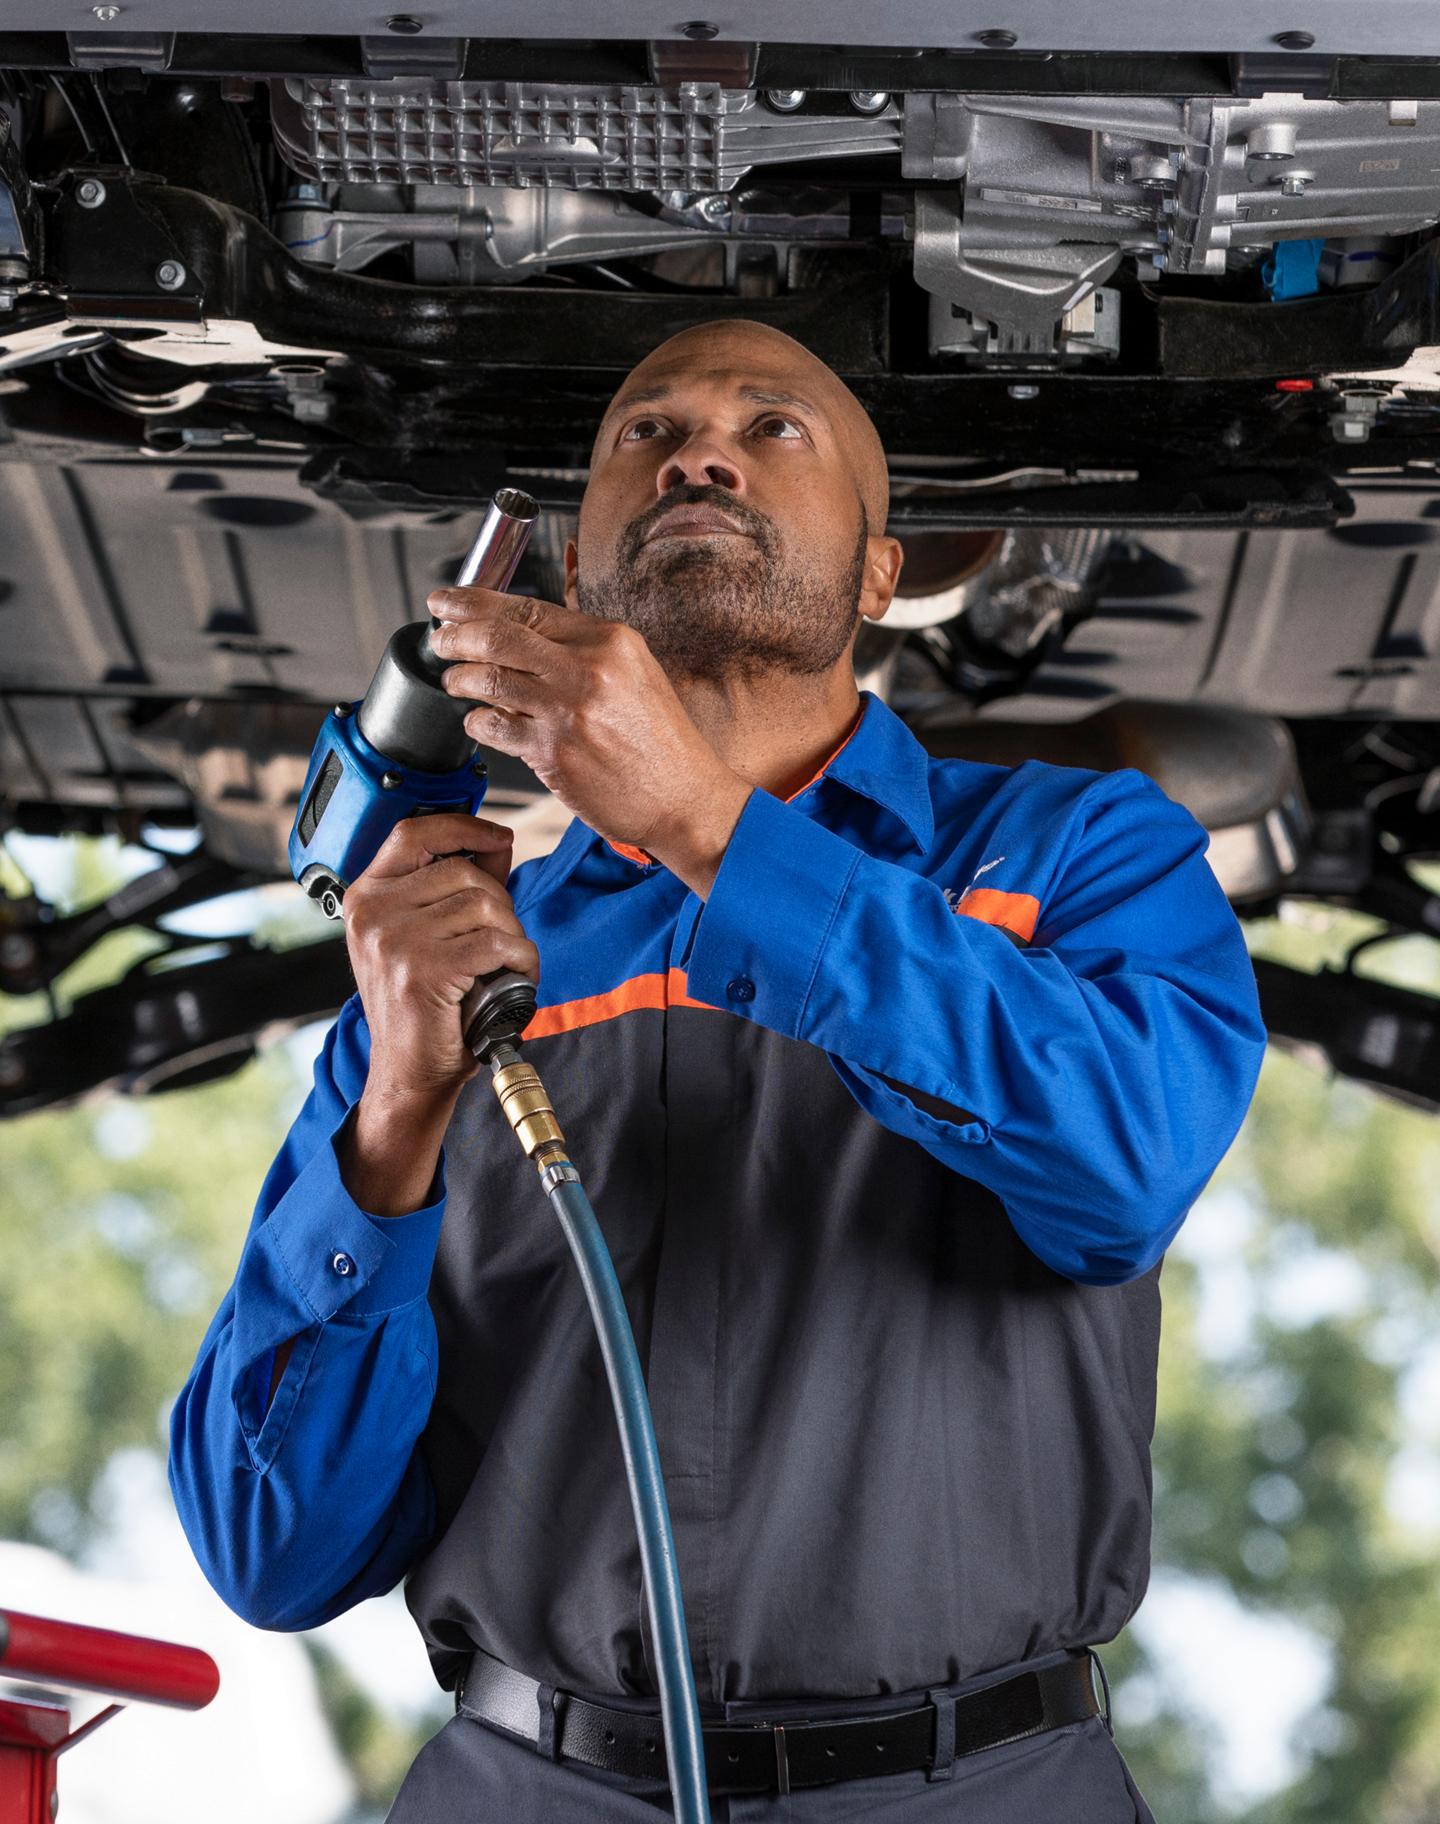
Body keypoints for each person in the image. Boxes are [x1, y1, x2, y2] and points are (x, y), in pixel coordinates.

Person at [170, 318, 1267, 1822]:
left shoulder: (1076, 852)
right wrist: (395, 1119)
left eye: (776, 429)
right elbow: (268, 1550)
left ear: (882, 574)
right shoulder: (452, 961)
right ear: (572, 566)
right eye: (646, 433)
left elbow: (1126, 1160)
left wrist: (711, 828)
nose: (699, 451)